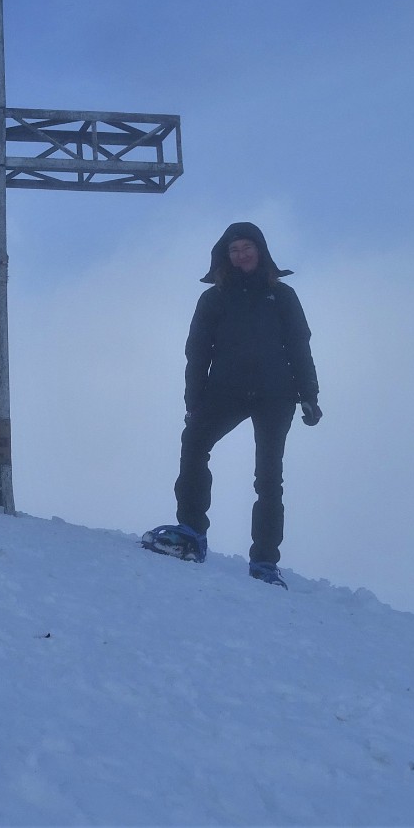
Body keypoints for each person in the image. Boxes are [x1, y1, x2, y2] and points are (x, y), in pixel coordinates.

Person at [144, 221, 320, 587]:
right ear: (225, 257)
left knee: (269, 477)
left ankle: (265, 564)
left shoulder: (283, 296)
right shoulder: (215, 298)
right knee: (194, 443)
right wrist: (193, 401)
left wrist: (309, 396)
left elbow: (299, 345)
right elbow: (197, 352)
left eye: (246, 247)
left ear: (260, 251)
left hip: (277, 394)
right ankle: (190, 533)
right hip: (226, 390)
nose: (241, 255)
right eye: (234, 250)